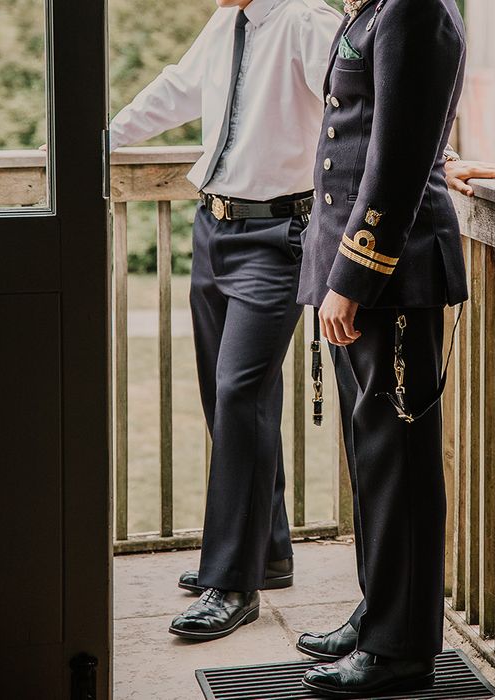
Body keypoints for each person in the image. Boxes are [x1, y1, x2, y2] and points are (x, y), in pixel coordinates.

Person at [108, 0, 341, 641]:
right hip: (213, 229)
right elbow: (177, 89)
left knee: (242, 395)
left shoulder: (306, 22)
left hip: (280, 234)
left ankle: (232, 585)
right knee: (226, 398)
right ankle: (268, 551)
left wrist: (442, 160)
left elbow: (365, 106)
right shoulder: (227, 21)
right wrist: (98, 141)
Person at [294, 0, 469, 695]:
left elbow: (396, 155)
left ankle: (401, 648)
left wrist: (354, 277)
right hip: (367, 274)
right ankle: (380, 610)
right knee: (373, 461)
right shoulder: (378, 7)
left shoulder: (416, 8)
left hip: (391, 277)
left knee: (398, 464)